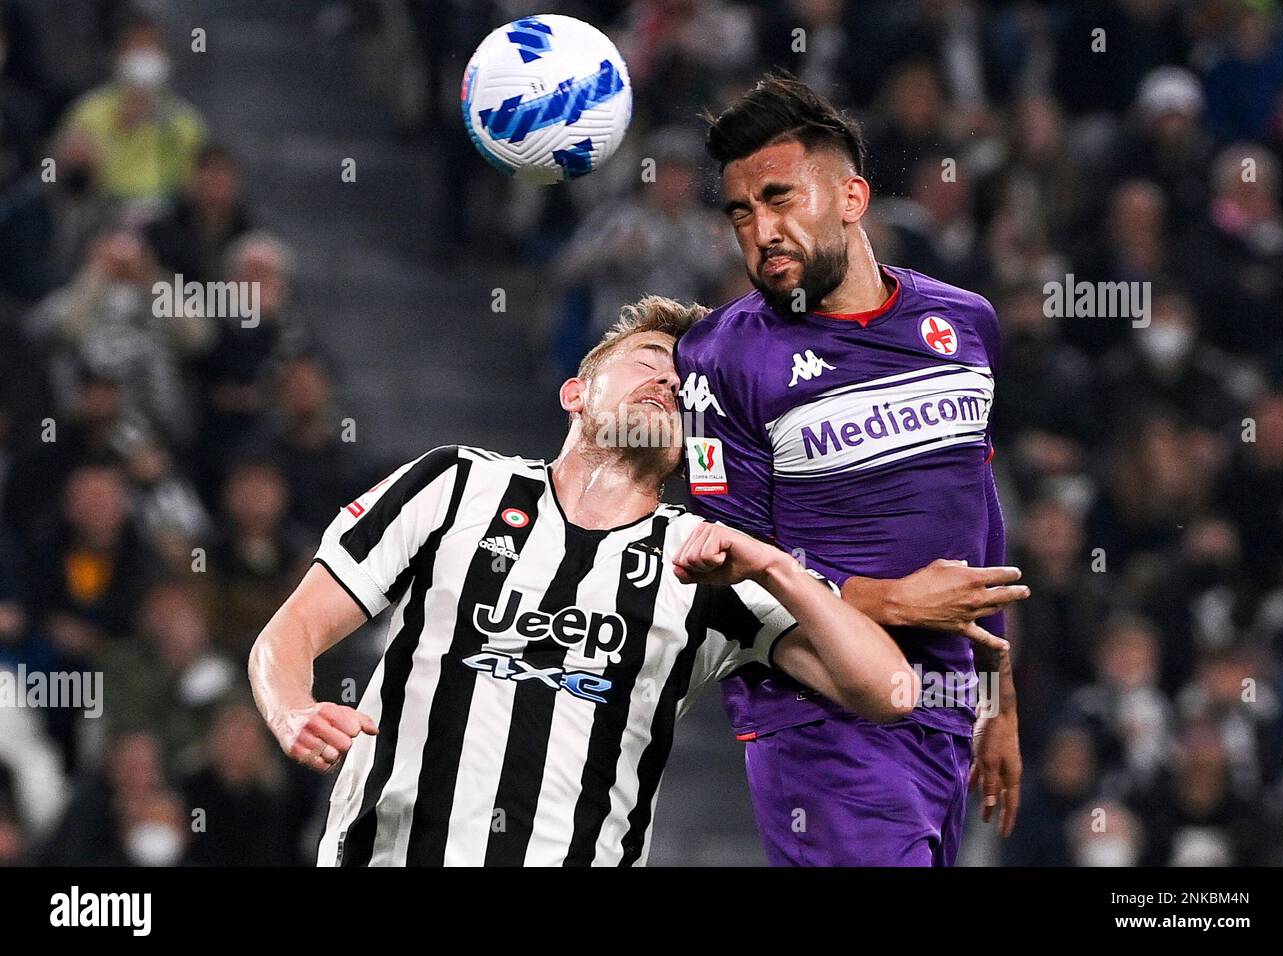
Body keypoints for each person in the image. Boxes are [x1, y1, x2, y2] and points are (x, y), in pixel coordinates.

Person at [249, 296, 918, 867]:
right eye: (651, 359)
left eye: (690, 380)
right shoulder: (455, 485)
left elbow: (890, 690)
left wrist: (778, 569)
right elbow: (290, 633)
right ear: (577, 392)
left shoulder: (711, 560)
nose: (671, 381)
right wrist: (292, 708)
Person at [675, 73, 1027, 866]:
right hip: (821, 721)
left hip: (941, 714)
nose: (761, 231)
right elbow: (724, 564)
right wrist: (886, 600)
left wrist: (994, 698)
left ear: (852, 198)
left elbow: (978, 515)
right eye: (741, 213)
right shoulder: (720, 358)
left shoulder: (964, 323)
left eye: (780, 198)